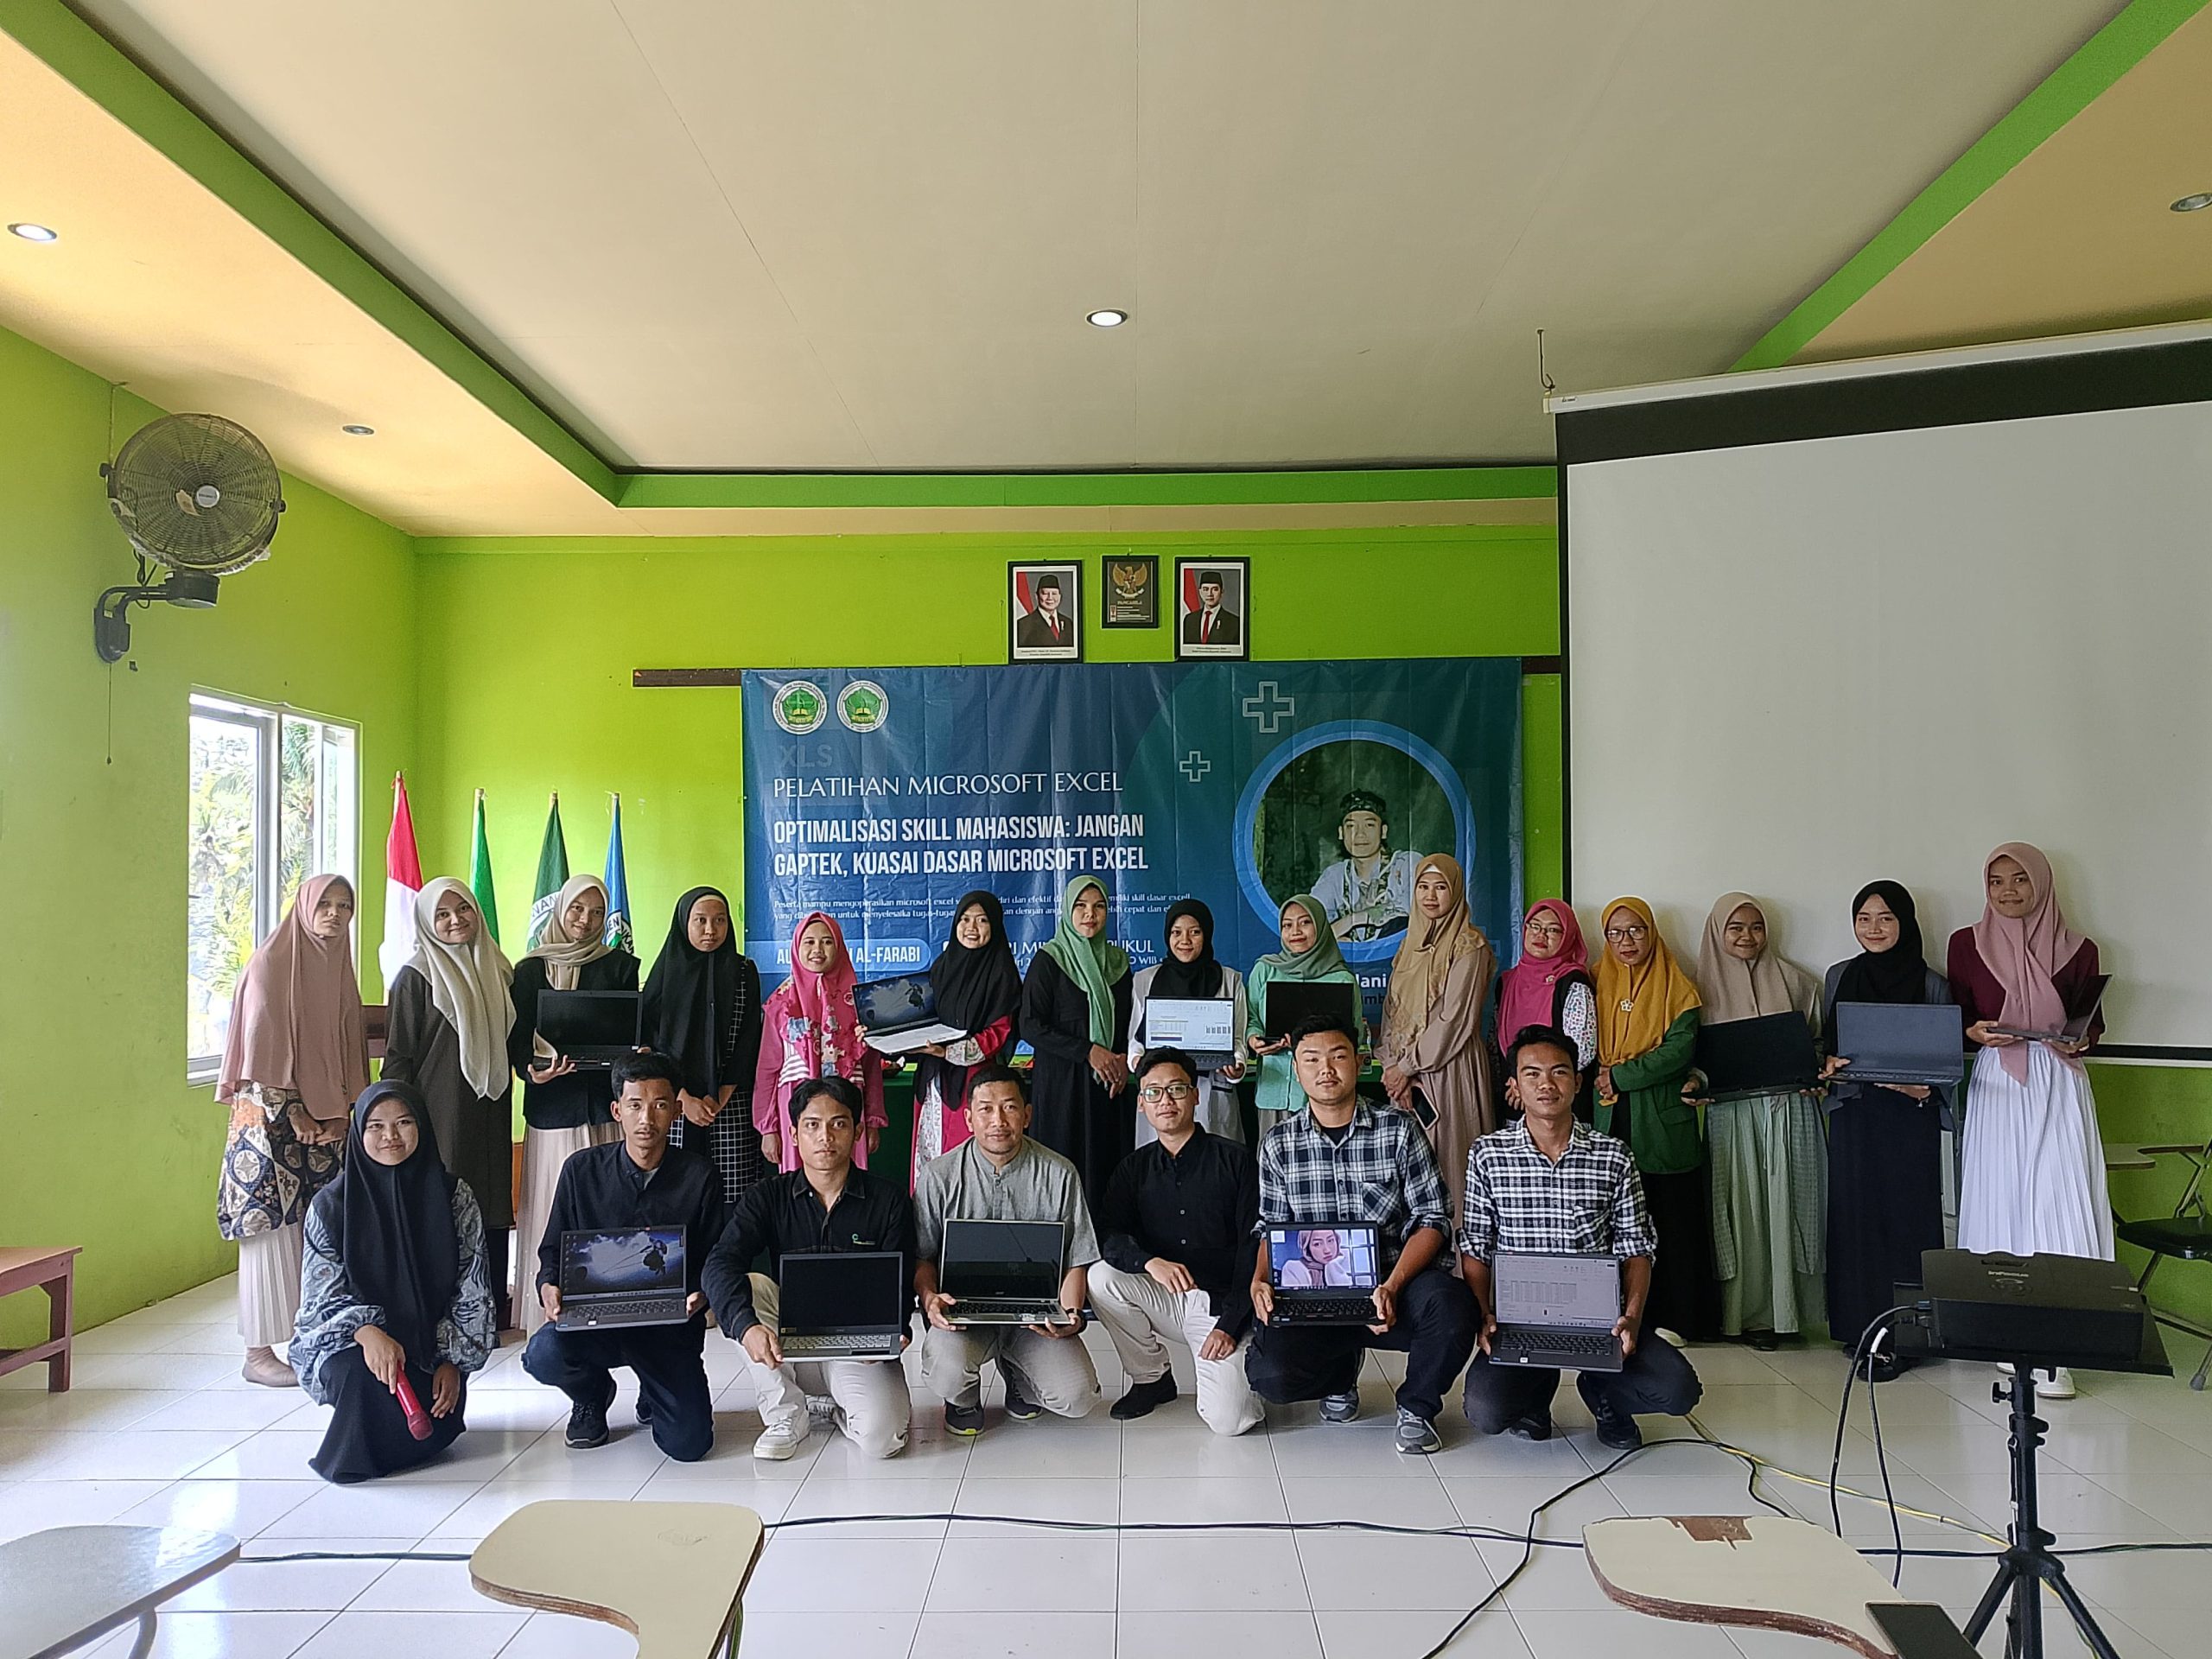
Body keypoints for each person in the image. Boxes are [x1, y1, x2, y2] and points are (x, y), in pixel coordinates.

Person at [1244, 1016, 1478, 1456]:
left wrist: (1392, 1286)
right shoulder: (1278, 1144)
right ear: (1296, 1069)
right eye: (1311, 1060)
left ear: (1360, 1062)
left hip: (1396, 1280)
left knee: (1452, 1307)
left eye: (1338, 1056)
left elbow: (1433, 1219)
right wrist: (1259, 1279)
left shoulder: (1400, 1130)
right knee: (1270, 1375)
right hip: (1315, 1292)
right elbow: (1270, 1226)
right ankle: (1340, 1373)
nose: (1325, 1069)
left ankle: (1417, 1407)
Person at [1459, 1027, 1702, 1451]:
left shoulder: (1613, 1156)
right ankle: (1535, 1398)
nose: (1546, 1085)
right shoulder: (1488, 1155)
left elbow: (1637, 1249)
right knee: (1486, 1410)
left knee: (1678, 1390)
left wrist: (1631, 1318)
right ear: (1514, 1086)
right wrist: (1483, 1315)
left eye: (1559, 1072)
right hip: (1522, 1322)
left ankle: (1604, 1394)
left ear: (1577, 1081)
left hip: (1601, 1322)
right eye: (1532, 1074)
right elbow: (1475, 1248)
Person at [1948, 843, 2112, 1401]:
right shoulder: (1965, 944)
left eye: (2019, 879)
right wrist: (1972, 1032)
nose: (2008, 891)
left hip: (2056, 1080)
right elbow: (1958, 1014)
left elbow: (2093, 1024)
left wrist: (2080, 1040)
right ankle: (2001, 1330)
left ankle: (2060, 1347)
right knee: (2000, 1195)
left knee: (2059, 1198)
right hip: (1998, 1080)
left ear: (2041, 883)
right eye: (1996, 881)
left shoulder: (2080, 949)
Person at [523, 1050, 725, 1458]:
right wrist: (549, 1286)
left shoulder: (699, 1175)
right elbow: (552, 1250)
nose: (646, 1119)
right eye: (635, 1106)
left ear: (676, 1112)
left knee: (689, 1445)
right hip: (596, 1322)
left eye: (660, 1105)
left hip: (668, 1326)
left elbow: (715, 1255)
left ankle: (654, 1389)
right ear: (617, 1111)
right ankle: (592, 1394)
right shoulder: (581, 1171)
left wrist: (701, 1293)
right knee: (543, 1354)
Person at [290, 1081, 495, 1484]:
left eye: (404, 1123)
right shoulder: (330, 1206)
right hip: (355, 1346)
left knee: (435, 1420)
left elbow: (473, 1287)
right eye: (376, 1126)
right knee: (358, 1375)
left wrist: (452, 1361)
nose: (391, 1136)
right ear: (359, 1133)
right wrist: (367, 1332)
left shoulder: (454, 1197)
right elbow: (319, 1300)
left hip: (430, 1347)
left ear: (422, 1126)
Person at [705, 1077, 917, 1461]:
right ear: (793, 1134)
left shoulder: (888, 1200)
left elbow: (901, 1279)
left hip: (857, 1345)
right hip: (789, 1340)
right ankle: (787, 1416)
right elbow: (720, 1263)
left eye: (838, 1124)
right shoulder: (767, 1196)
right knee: (749, 1285)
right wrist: (746, 1327)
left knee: (882, 1440)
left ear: (857, 1132)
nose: (825, 1137)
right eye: (812, 1125)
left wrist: (892, 1333)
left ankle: (832, 1407)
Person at [215, 874, 367, 1388]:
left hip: (323, 1123)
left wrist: (343, 1112)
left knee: (316, 1230)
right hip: (268, 1122)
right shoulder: (271, 964)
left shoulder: (337, 966)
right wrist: (295, 1113)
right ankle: (258, 1353)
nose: (335, 914)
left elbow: (347, 1048)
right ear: (303, 908)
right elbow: (258, 1054)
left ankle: (313, 1335)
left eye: (344, 906)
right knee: (268, 1232)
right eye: (325, 904)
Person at [914, 1065, 1102, 1434]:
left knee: (1077, 1396)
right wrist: (930, 1297)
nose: (998, 1121)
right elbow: (923, 1256)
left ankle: (1019, 1378)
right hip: (964, 1314)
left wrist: (1070, 1316)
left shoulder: (1059, 1173)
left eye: (1010, 1107)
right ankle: (963, 1398)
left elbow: (1076, 1260)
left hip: (1034, 1318)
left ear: (1027, 1115)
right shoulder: (939, 1175)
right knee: (946, 1371)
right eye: (985, 1109)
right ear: (969, 1118)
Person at [1089, 1048, 1265, 1433]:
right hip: (1164, 1294)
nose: (1165, 1100)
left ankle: (1248, 1363)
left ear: (1195, 1095)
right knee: (1100, 1277)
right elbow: (1109, 1235)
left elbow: (1254, 1249)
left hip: (1219, 1302)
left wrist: (1231, 1324)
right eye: (1153, 1092)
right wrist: (1149, 1262)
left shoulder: (1235, 1161)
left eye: (1176, 1089)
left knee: (1229, 1421)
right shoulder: (1133, 1169)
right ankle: (1152, 1378)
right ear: (1141, 1103)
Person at [1821, 881, 1952, 1381]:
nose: (1874, 928)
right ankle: (1857, 1330)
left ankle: (1907, 1337)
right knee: (1855, 1221)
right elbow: (1825, 1044)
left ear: (1906, 923)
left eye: (1886, 918)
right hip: (1855, 1115)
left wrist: (1922, 1088)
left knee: (1906, 1224)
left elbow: (1946, 1063)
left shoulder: (1932, 983)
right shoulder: (1839, 976)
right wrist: (1828, 1066)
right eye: (1864, 918)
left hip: (1908, 1121)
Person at [381, 878, 518, 1329]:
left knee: (492, 1202)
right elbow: (399, 1057)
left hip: (490, 1105)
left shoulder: (498, 970)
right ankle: (445, 1310)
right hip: (439, 1111)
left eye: (463, 909)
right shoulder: (416, 977)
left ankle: (491, 1307)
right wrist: (397, 1124)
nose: (455, 920)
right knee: (446, 1202)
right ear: (426, 921)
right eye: (442, 914)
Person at [508, 874, 639, 1338]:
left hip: (605, 1108)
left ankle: (610, 1302)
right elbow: (517, 1039)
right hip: (554, 1108)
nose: (586, 920)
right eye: (577, 910)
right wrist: (532, 1070)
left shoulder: (619, 966)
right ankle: (548, 1307)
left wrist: (634, 1051)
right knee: (553, 1204)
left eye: (597, 912)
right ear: (560, 910)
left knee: (607, 1204)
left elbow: (631, 1028)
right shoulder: (529, 970)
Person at [1692, 893, 1826, 1349]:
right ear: (1717, 932)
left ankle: (1789, 1314)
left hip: (1789, 1111)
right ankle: (1743, 1317)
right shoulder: (1695, 989)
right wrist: (1695, 1081)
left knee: (1791, 1208)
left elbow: (1817, 1044)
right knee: (1739, 1213)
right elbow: (1692, 1056)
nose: (1747, 936)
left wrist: (1816, 1072)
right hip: (1730, 1115)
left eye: (1756, 927)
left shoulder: (1797, 982)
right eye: (1735, 927)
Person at [1592, 897, 1715, 1343]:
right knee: (1615, 1221)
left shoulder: (1678, 987)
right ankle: (1621, 1317)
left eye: (1636, 930)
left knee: (1670, 1221)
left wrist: (1620, 1075)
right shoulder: (1594, 981)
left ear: (1652, 933)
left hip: (1662, 1122)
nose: (1626, 941)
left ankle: (1678, 1319)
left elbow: (1678, 1052)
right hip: (1609, 1118)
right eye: (1615, 932)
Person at [1378, 854, 1499, 1217]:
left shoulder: (1469, 946)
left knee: (1450, 1164)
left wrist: (1406, 1067)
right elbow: (1391, 1011)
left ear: (1456, 891)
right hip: (1404, 1076)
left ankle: (1459, 1251)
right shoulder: (1409, 945)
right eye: (1423, 887)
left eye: (1441, 887)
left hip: (1448, 1069)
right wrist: (1392, 1066)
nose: (1430, 896)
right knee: (1409, 1169)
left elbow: (1454, 1020)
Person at [640, 887, 765, 1207]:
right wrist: (682, 1098)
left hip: (729, 1101)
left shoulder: (743, 972)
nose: (711, 929)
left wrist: (718, 1098)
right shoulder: (664, 974)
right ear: (685, 923)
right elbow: (651, 1043)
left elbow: (749, 1040)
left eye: (720, 920)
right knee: (676, 1195)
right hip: (673, 1103)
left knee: (731, 1197)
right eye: (701, 920)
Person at [1020, 877, 1135, 1195]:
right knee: (1061, 1172)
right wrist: (1087, 1050)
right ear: (1067, 910)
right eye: (1080, 906)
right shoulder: (1050, 960)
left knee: (1107, 1173)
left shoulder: (1118, 963)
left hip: (1109, 1087)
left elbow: (1130, 1021)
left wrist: (1123, 1060)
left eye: (1099, 906)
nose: (1090, 914)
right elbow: (1029, 1024)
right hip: (1062, 1088)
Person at [754, 912, 887, 1174]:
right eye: (809, 942)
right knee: (798, 1184)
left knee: (849, 1180)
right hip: (795, 1103)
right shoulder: (781, 1003)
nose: (818, 949)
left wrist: (872, 1121)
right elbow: (767, 1069)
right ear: (796, 947)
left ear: (839, 947)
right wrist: (768, 1128)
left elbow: (871, 1068)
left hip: (847, 1103)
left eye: (827, 942)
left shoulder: (860, 1002)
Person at [910, 891, 1023, 1183]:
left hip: (975, 1084)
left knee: (967, 1166)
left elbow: (998, 1034)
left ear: (994, 926)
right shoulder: (942, 968)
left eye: (982, 920)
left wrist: (948, 1052)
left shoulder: (1002, 975)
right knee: (930, 1158)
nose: (972, 928)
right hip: (933, 1081)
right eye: (965, 919)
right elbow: (922, 1018)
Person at [1127, 899, 1248, 1144]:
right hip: (1161, 1088)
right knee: (1160, 1160)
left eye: (1195, 932)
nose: (1185, 940)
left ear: (1207, 934)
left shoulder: (1230, 979)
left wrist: (1237, 1064)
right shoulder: (1145, 979)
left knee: (1216, 1160)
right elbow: (1135, 1040)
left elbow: (1238, 1038)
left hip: (1212, 1087)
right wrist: (1137, 1061)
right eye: (1176, 932)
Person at [1246, 893, 1367, 1134]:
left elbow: (1356, 1035)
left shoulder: (1342, 979)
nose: (1295, 932)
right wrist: (1254, 1039)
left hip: (1327, 1090)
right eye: (1287, 925)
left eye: (1305, 922)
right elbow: (1251, 1019)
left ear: (1320, 926)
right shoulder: (1265, 970)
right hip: (1275, 1087)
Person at [1495, 900, 1598, 1115]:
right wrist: (1517, 1084)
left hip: (1559, 1100)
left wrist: (1534, 1085)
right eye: (1535, 926)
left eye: (1553, 930)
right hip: (1513, 1095)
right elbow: (1494, 1042)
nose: (1541, 935)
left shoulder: (1573, 983)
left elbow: (1582, 1051)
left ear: (1568, 937)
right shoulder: (1507, 981)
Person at [1309, 790, 1419, 942]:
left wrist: (1351, 921)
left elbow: (1414, 907)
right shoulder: (1334, 875)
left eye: (1369, 825)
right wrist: (1331, 942)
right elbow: (1311, 918)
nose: (1360, 834)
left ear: (1383, 831)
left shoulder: (1407, 864)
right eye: (1351, 826)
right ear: (1341, 833)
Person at [1179, 569, 1241, 647]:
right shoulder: (1189, 619)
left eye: (1215, 589)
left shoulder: (1234, 622)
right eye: (1205, 589)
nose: (1210, 594)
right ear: (1200, 592)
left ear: (1222, 592)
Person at [1277, 1229, 1353, 1287]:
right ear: (1306, 1247)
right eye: (1317, 1244)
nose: (1327, 1250)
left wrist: (1332, 1266)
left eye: (1330, 1241)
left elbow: (1346, 1296)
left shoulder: (1343, 1262)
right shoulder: (1293, 1268)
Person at [1015, 572, 1073, 649]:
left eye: (1054, 594)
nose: (1050, 598)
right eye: (1045, 593)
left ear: (1060, 596)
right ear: (1037, 596)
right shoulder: (1023, 625)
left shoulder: (1068, 623)